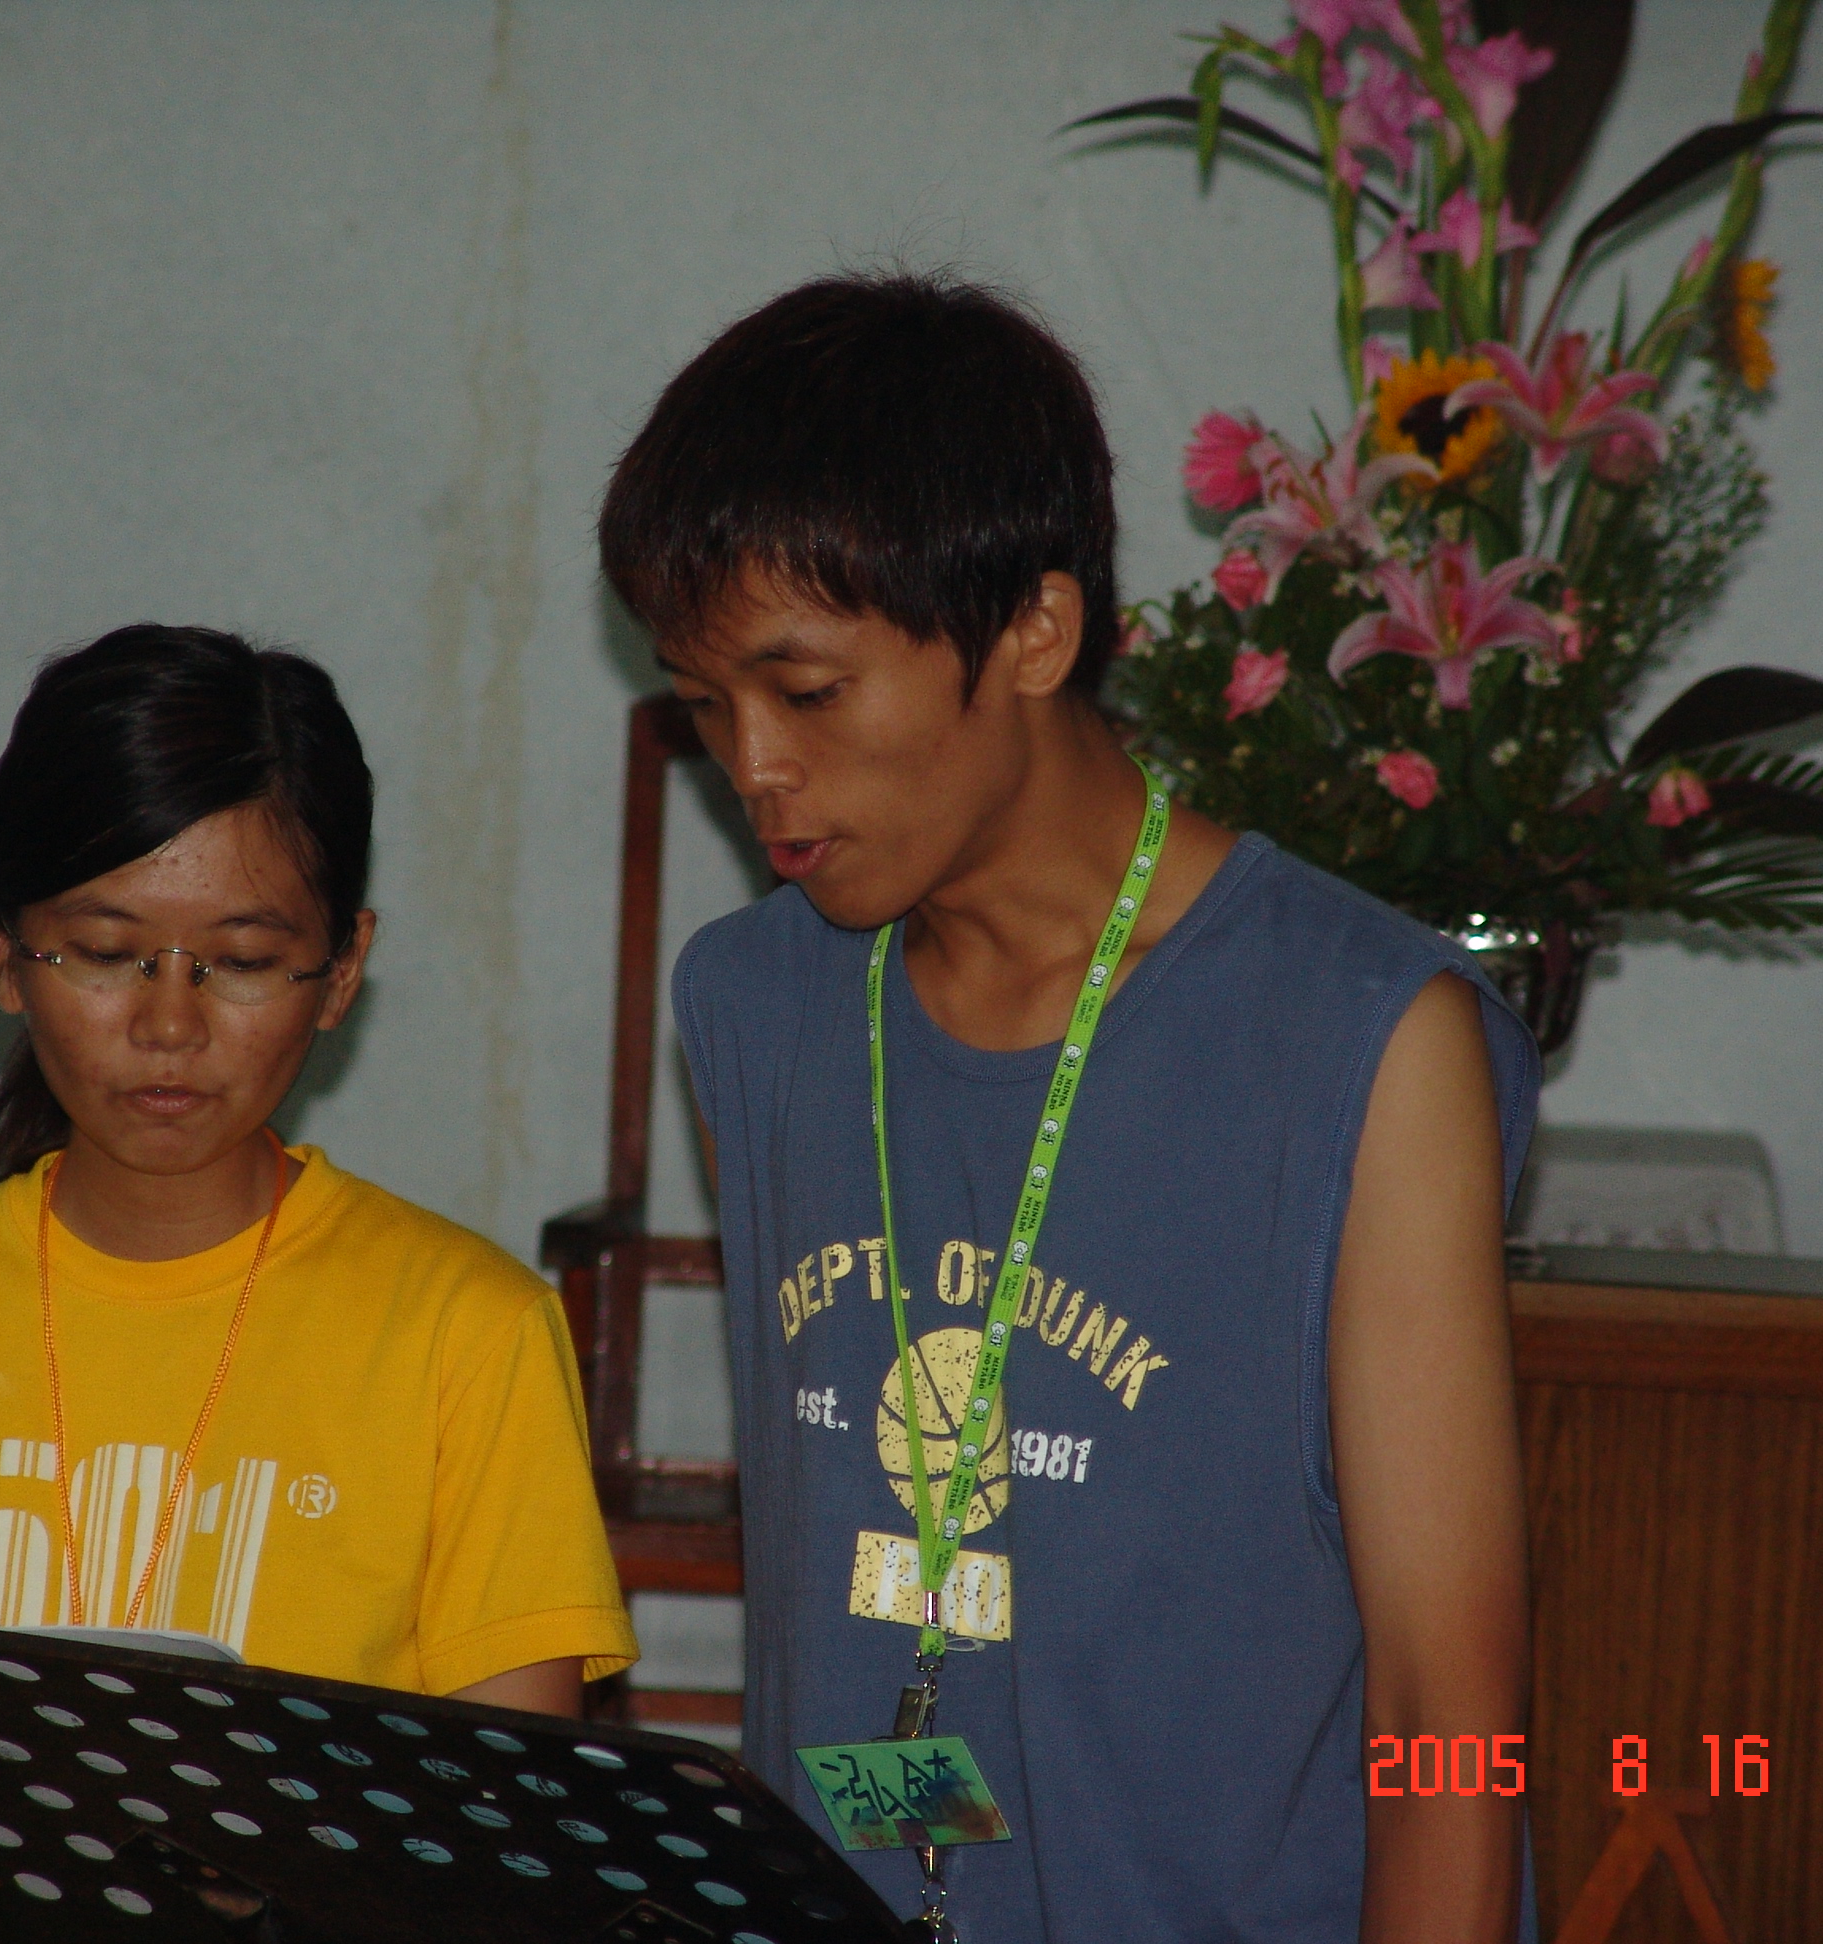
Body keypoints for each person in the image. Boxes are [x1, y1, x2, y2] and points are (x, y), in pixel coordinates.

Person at [599, 273, 1540, 1943]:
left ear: (1036, 631)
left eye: (806, 692)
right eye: (703, 699)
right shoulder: (754, 1005)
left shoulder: (1361, 1040)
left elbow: (1444, 1706)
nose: (753, 768)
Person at [0, 624, 636, 1944]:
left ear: (341, 969)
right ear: (2, 951)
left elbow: (501, 1862)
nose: (170, 1025)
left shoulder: (469, 1333)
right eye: (107, 953)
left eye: (242, 962)